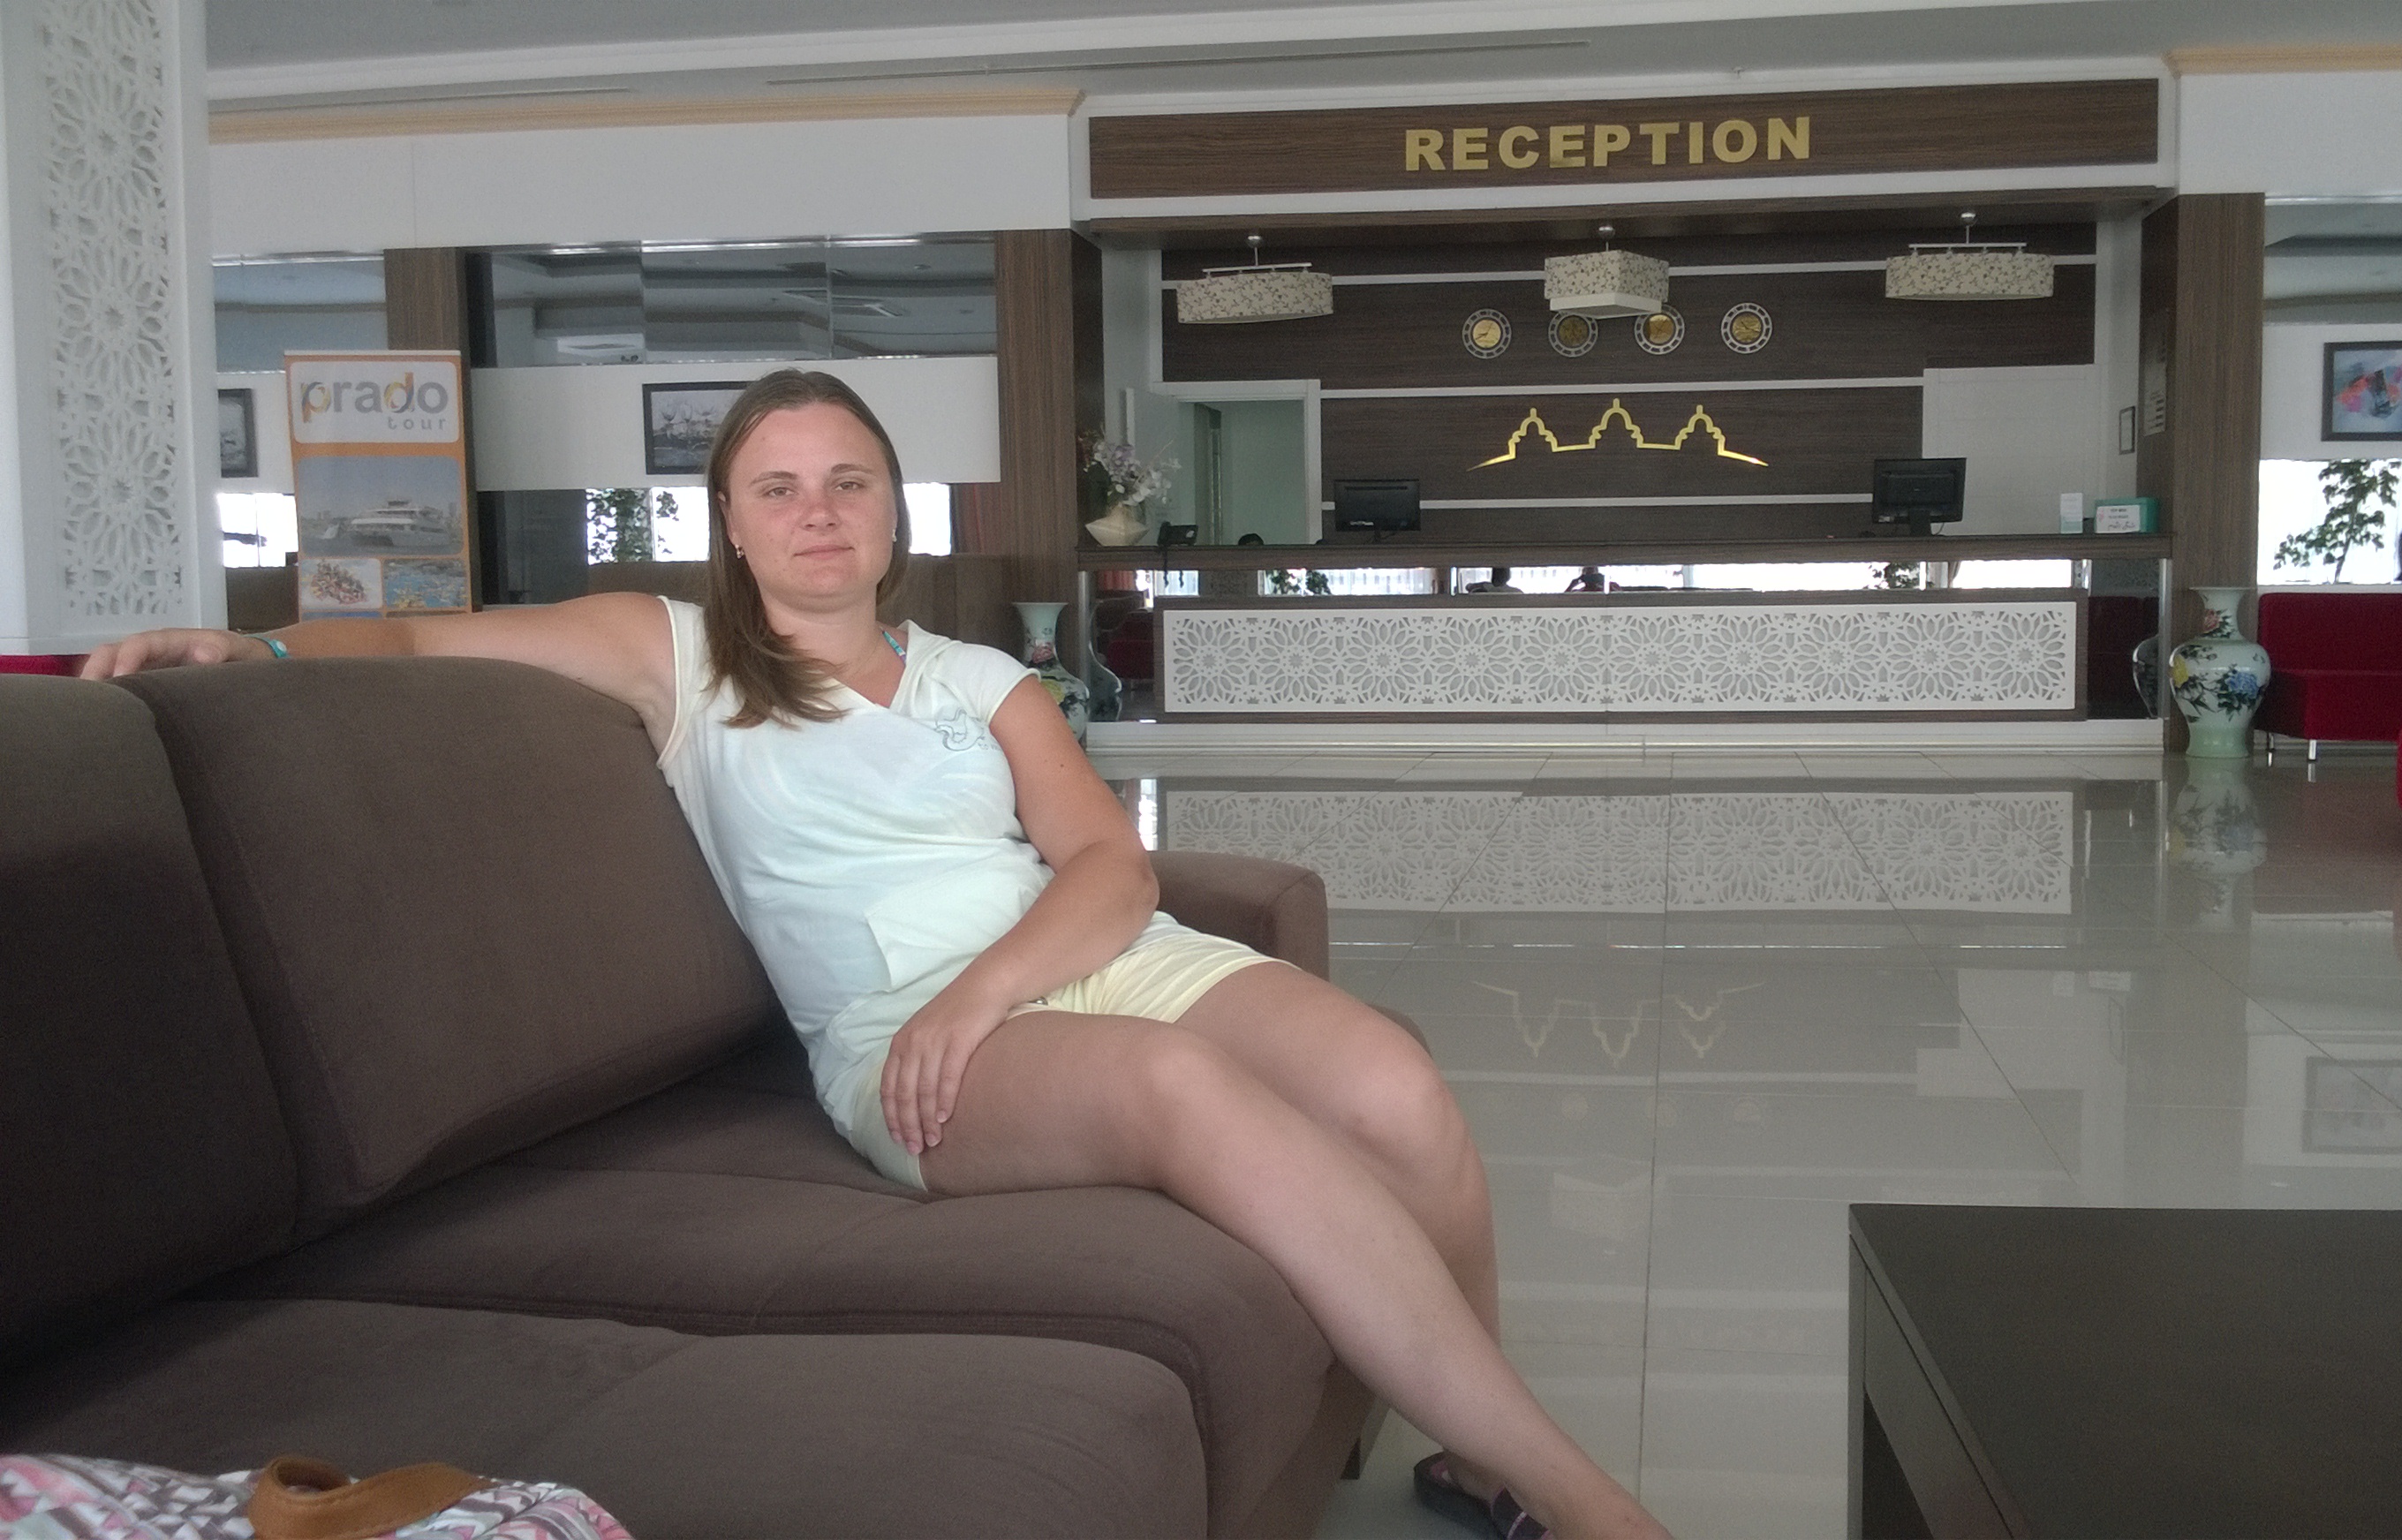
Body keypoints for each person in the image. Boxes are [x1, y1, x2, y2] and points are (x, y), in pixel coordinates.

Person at [85, 369, 1668, 1540]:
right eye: (778, 487)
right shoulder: (676, 654)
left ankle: (1476, 1454)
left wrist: (999, 980)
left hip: (1077, 963)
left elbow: (1108, 865)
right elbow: (421, 635)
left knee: (1393, 1081)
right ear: (729, 520)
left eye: (847, 480)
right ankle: (1590, 1505)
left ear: (894, 508)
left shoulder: (981, 675)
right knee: (1183, 1089)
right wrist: (255, 643)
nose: (817, 511)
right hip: (904, 1030)